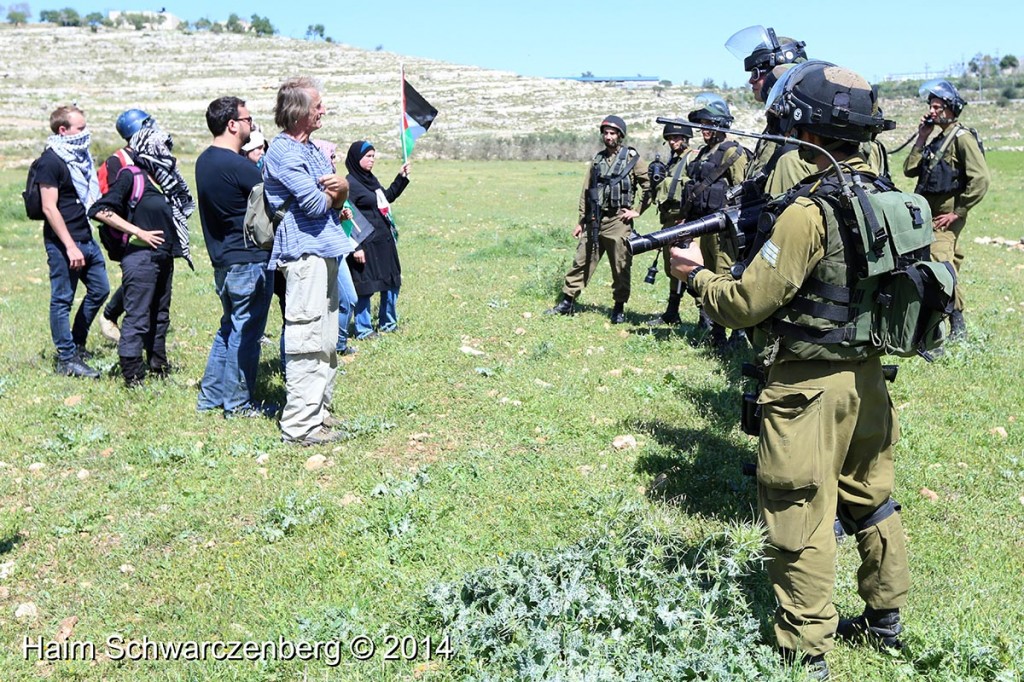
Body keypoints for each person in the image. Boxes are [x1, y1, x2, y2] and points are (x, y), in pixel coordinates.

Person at [670, 61, 911, 680]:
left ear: (806, 128)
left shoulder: (809, 211)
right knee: (873, 501)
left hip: (807, 387)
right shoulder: (884, 197)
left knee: (800, 513)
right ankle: (886, 623)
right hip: (869, 382)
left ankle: (805, 655)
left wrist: (695, 276)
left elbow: (748, 303)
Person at [263, 76, 353, 445]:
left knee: (327, 339)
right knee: (307, 339)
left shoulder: (313, 149)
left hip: (326, 251)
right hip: (303, 255)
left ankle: (320, 415)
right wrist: (340, 189)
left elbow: (328, 198)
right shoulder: (283, 153)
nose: (324, 111)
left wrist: (336, 191)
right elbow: (317, 204)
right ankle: (300, 426)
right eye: (318, 106)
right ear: (299, 111)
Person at [88, 125, 193, 385]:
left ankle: (159, 367)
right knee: (137, 317)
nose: (167, 152)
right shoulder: (131, 176)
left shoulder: (164, 179)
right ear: (149, 148)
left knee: (160, 315)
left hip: (163, 256)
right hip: (141, 257)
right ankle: (132, 376)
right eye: (162, 146)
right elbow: (100, 210)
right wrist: (138, 231)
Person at [195, 96, 275, 417]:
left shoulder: (204, 161)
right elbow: (272, 203)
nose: (251, 125)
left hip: (223, 260)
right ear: (232, 124)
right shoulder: (241, 166)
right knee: (247, 334)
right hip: (249, 260)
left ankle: (210, 399)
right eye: (247, 119)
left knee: (229, 328)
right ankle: (238, 404)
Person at [903, 79, 989, 340]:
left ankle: (955, 327)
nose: (933, 110)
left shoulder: (961, 138)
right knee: (947, 263)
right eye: (931, 105)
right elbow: (909, 169)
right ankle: (952, 323)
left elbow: (981, 178)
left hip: (946, 217)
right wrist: (921, 136)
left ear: (951, 109)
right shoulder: (938, 139)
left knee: (941, 266)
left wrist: (958, 212)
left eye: (938, 106)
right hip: (928, 214)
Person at [546, 115, 650, 323]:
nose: (609, 137)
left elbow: (651, 185)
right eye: (606, 133)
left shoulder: (633, 159)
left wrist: (637, 210)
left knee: (620, 265)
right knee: (582, 259)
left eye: (613, 133)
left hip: (619, 221)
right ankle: (567, 301)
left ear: (620, 135)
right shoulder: (597, 160)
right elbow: (587, 190)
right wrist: (581, 221)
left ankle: (619, 307)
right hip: (595, 218)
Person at [35, 105, 110, 378]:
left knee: (100, 289)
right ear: (63, 130)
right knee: (62, 299)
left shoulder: (81, 158)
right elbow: (49, 208)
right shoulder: (51, 161)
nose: (85, 133)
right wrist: (69, 246)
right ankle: (67, 359)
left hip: (85, 236)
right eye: (80, 128)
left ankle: (77, 343)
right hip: (64, 243)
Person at [683, 94, 748, 347]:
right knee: (707, 275)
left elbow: (745, 189)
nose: (703, 129)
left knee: (725, 278)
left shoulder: (733, 152)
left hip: (726, 230)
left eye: (708, 123)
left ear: (720, 124)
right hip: (704, 227)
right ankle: (716, 332)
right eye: (701, 124)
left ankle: (738, 334)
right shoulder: (701, 154)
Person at [725, 26, 815, 197]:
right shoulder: (776, 122)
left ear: (781, 72)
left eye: (757, 72)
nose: (751, 80)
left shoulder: (802, 124)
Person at [96, 108, 155, 344]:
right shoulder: (115, 162)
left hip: (148, 232)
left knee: (143, 280)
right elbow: (111, 203)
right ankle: (113, 317)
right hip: (127, 235)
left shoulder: (151, 157)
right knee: (137, 281)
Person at [344, 141, 410, 340]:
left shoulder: (371, 180)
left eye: (373, 156)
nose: (372, 160)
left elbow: (385, 199)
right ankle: (363, 329)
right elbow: (348, 217)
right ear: (356, 159)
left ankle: (388, 323)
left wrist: (401, 178)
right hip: (365, 244)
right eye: (368, 156)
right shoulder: (349, 184)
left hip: (384, 241)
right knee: (366, 286)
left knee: (391, 282)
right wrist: (356, 247)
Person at [646, 120, 696, 326]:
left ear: (685, 139)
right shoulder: (673, 161)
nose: (673, 141)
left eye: (677, 138)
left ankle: (706, 318)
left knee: (689, 268)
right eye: (670, 139)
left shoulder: (692, 159)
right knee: (673, 268)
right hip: (669, 220)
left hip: (684, 219)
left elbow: (696, 188)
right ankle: (672, 312)